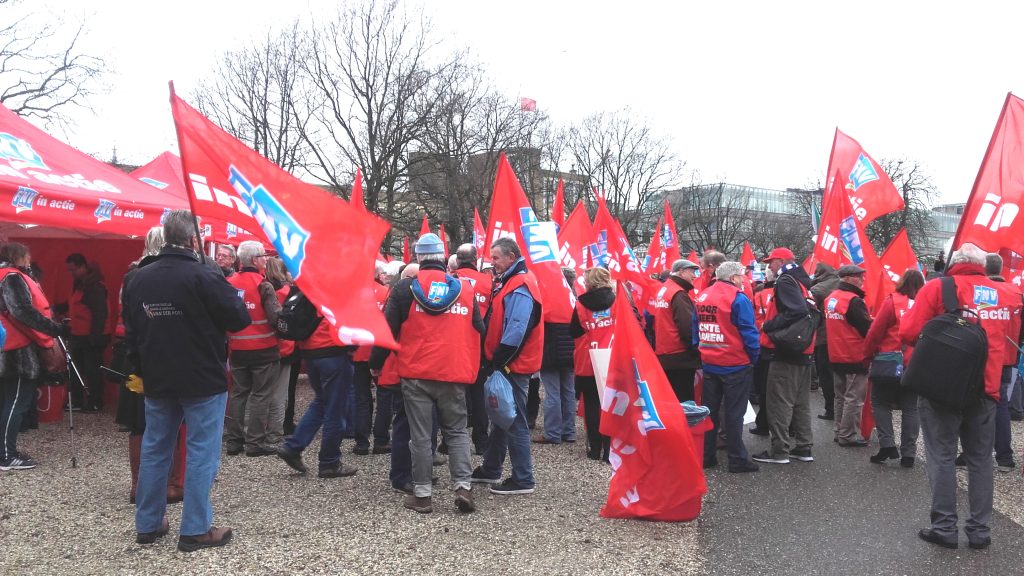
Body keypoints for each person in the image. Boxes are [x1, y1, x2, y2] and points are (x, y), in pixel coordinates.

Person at [122, 210, 250, 551]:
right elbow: (239, 318)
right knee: (201, 451)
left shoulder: (137, 278)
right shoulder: (204, 275)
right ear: (195, 240)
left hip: (158, 375)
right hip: (201, 377)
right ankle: (195, 528)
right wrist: (217, 277)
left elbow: (130, 332)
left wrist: (143, 366)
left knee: (156, 449)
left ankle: (148, 523)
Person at [900, 243, 1013, 550]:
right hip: (988, 388)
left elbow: (908, 333)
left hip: (942, 387)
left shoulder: (937, 289)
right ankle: (979, 531)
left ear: (953, 262)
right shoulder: (1007, 293)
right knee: (980, 460)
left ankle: (945, 527)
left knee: (941, 456)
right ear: (984, 265)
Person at [372, 233, 483, 514]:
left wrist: (375, 364)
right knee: (457, 432)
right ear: (444, 258)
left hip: (416, 372)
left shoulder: (404, 289)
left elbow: (388, 331)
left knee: (421, 436)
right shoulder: (465, 289)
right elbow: (480, 329)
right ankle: (463, 487)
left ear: (419, 258)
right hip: (454, 371)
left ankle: (422, 495)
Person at [116, 227, 186, 503]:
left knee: (138, 422)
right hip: (166, 354)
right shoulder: (166, 275)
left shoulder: (131, 276)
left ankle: (138, 485)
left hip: (134, 352)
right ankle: (170, 484)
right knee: (173, 417)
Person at [470, 237, 543, 495]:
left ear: (512, 257)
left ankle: (523, 478)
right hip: (510, 363)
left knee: (514, 421)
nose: (493, 263)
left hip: (513, 365)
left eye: (497, 258)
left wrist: (497, 361)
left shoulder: (520, 285)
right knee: (502, 417)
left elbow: (516, 330)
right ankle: (491, 467)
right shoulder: (513, 282)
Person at [276, 294, 360, 479]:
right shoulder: (338, 286)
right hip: (333, 352)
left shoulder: (309, 282)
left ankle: (293, 447)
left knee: (322, 402)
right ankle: (329, 462)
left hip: (310, 351)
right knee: (335, 409)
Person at [0, 243, 65, 471]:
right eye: (27, 256)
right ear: (19, 256)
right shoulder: (12, 277)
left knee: (8, 401)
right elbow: (22, 311)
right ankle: (6, 455)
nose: (29, 260)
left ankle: (6, 451)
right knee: (17, 401)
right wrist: (53, 329)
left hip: (5, 345)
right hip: (15, 351)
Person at [694, 261, 760, 473]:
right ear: (732, 278)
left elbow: (696, 329)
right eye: (741, 276)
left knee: (710, 412)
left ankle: (707, 456)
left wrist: (702, 351)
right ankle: (737, 459)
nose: (743, 280)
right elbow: (749, 332)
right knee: (734, 414)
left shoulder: (703, 295)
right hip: (734, 363)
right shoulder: (738, 298)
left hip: (710, 362)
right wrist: (753, 357)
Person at [752, 247, 815, 465]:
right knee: (801, 403)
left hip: (786, 351)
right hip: (803, 350)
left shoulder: (786, 280)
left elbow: (795, 311)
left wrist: (769, 327)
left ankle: (780, 450)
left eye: (771, 262)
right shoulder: (802, 281)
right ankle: (804, 447)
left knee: (779, 402)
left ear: (781, 261)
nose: (769, 266)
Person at [224, 241, 282, 458]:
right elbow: (275, 317)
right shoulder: (263, 285)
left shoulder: (229, 283)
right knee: (260, 395)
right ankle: (254, 443)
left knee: (239, 393)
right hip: (263, 349)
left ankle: (234, 441)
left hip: (237, 348)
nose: (266, 260)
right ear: (255, 260)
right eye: (263, 256)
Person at [863, 268, 924, 467]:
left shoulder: (892, 302)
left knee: (880, 402)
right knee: (911, 407)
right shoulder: (927, 305)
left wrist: (867, 355)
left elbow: (875, 332)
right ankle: (909, 454)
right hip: (915, 363)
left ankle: (887, 444)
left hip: (889, 362)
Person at [570, 267, 616, 461]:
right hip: (612, 357)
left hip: (588, 358)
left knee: (591, 404)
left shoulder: (581, 304)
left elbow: (573, 331)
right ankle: (609, 449)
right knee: (612, 404)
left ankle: (595, 448)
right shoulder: (617, 301)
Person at [825, 265, 873, 447]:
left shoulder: (832, 298)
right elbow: (866, 329)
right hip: (854, 355)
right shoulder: (853, 301)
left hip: (836, 354)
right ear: (847, 278)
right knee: (854, 398)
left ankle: (839, 431)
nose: (862, 280)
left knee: (841, 396)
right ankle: (848, 435)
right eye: (859, 277)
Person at [984, 253, 1022, 473]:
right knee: (1001, 405)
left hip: (984, 356)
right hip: (1007, 358)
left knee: (977, 405)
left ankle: (973, 452)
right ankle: (1005, 458)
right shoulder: (1016, 292)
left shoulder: (981, 291)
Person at [452, 243, 492, 455]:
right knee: (478, 396)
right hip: (479, 345)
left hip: (455, 345)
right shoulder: (488, 282)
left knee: (454, 395)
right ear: (475, 260)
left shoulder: (450, 280)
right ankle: (481, 441)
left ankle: (451, 441)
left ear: (457, 260)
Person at [351, 261, 393, 455]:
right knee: (384, 396)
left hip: (358, 351)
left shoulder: (353, 294)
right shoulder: (385, 293)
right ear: (377, 274)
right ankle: (381, 440)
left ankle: (361, 442)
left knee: (361, 398)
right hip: (379, 351)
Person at [62, 253, 109, 412]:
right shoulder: (80, 283)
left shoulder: (94, 286)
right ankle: (77, 401)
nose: (71, 273)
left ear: (83, 266)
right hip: (79, 334)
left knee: (92, 371)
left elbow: (100, 313)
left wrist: (94, 337)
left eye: (73, 269)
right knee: (76, 369)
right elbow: (73, 305)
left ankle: (95, 401)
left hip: (91, 336)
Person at [535, 266, 577, 445]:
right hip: (570, 352)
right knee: (568, 391)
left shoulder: (549, 297)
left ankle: (552, 432)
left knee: (552, 393)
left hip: (551, 351)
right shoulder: (573, 298)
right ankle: (569, 431)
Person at [652, 259, 701, 402]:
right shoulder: (678, 293)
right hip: (680, 355)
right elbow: (687, 327)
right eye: (692, 271)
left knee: (672, 398)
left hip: (666, 353)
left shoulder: (665, 289)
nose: (694, 275)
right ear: (681, 272)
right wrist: (695, 350)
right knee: (684, 399)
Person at [263, 257, 295, 447]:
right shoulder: (286, 291)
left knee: (259, 392)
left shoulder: (262, 288)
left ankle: (254, 430)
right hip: (285, 347)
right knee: (280, 392)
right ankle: (275, 432)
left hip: (263, 345)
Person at [809, 262, 840, 420]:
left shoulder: (817, 289)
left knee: (826, 375)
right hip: (841, 337)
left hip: (823, 337)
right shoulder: (842, 284)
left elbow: (806, 304)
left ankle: (831, 409)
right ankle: (840, 409)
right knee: (840, 375)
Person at [749, 268, 775, 436]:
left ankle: (763, 424)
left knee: (764, 387)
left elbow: (751, 320)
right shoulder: (787, 292)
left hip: (762, 343)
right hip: (781, 344)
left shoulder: (758, 295)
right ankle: (791, 427)